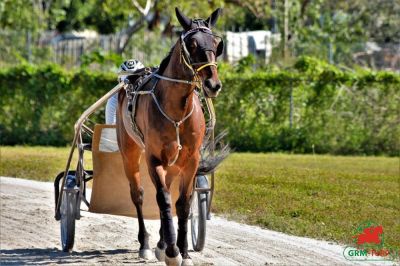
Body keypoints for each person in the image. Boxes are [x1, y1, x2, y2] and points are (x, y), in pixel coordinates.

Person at [105, 59, 145, 124]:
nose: (131, 84)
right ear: (120, 80)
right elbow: (111, 126)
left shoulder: (148, 94)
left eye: (135, 77)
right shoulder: (114, 98)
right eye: (126, 77)